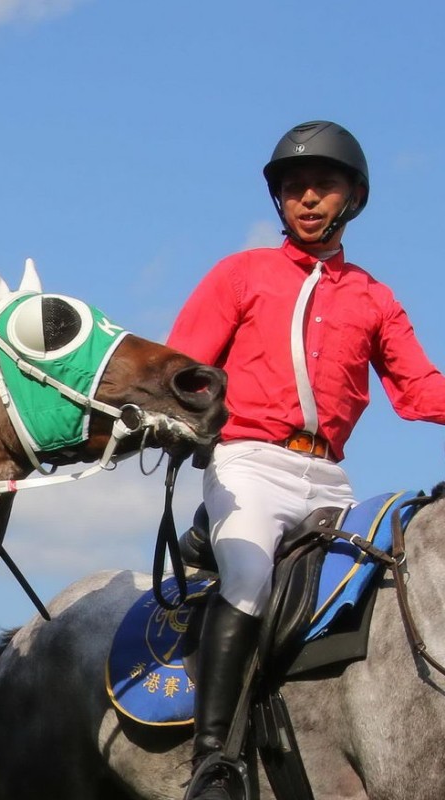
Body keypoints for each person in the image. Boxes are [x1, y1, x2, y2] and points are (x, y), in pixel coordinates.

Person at [167, 120, 445, 798]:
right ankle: (213, 763)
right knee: (249, 581)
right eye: (294, 189)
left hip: (328, 480)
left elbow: (419, 389)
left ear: (353, 197)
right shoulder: (241, 273)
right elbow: (182, 365)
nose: (308, 200)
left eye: (324, 187)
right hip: (249, 465)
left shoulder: (375, 298)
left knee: (384, 597)